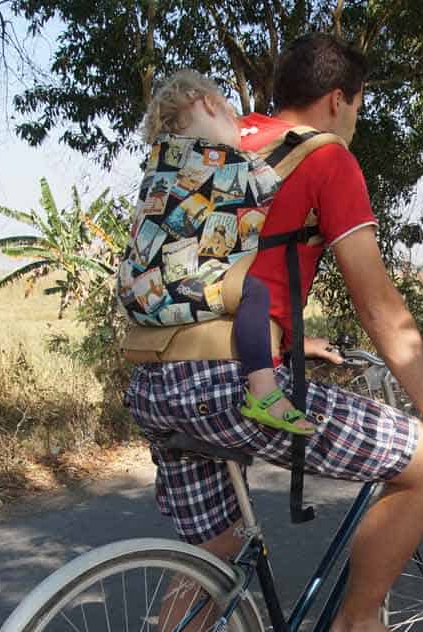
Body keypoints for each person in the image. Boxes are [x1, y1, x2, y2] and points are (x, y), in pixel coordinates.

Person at [123, 35, 423, 632]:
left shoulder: (222, 145)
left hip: (156, 379)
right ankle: (358, 629)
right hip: (232, 381)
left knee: (217, 547)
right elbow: (379, 303)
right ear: (339, 99)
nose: (354, 120)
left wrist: (297, 340)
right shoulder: (325, 155)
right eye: (357, 107)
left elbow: (225, 269)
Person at [118, 70, 314, 435]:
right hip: (179, 287)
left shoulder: (159, 166)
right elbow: (274, 199)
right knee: (253, 288)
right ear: (209, 104)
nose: (238, 129)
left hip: (136, 294)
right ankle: (264, 391)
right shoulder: (222, 160)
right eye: (231, 116)